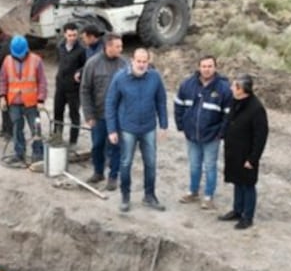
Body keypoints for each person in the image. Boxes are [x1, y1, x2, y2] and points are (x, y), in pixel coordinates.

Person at [105, 48, 168, 213]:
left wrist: (164, 124)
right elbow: (111, 103)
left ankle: (149, 195)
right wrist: (112, 129)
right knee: (125, 163)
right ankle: (125, 196)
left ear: (148, 61)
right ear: (132, 60)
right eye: (138, 61)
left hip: (148, 127)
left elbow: (161, 101)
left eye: (144, 61)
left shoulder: (155, 77)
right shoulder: (120, 78)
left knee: (151, 162)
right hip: (128, 128)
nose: (141, 65)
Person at [174, 55, 232, 210]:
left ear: (215, 67)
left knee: (210, 167)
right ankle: (193, 192)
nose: (207, 69)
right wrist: (181, 125)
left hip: (212, 137)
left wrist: (221, 133)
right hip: (192, 135)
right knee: (194, 165)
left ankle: (208, 196)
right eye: (204, 66)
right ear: (199, 67)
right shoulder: (187, 85)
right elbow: (178, 105)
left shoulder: (224, 89)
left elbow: (228, 114)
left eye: (210, 66)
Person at [218, 74, 269, 230]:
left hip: (246, 154)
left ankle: (248, 216)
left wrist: (253, 159)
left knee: (247, 185)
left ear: (241, 89)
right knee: (237, 182)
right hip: (234, 151)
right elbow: (228, 119)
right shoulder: (236, 102)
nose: (231, 88)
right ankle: (237, 210)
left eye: (234, 86)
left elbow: (261, 136)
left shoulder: (256, 108)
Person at [80, 33, 128, 191]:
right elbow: (85, 90)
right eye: (117, 46)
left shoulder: (124, 65)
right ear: (108, 47)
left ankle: (113, 176)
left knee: (115, 146)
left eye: (121, 46)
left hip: (118, 116)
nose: (121, 49)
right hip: (98, 115)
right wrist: (89, 115)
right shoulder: (92, 64)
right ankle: (98, 172)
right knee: (97, 145)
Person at [0, 35, 47, 165]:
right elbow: (3, 80)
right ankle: (19, 153)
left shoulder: (36, 60)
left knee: (35, 129)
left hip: (31, 103)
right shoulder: (7, 60)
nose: (19, 56)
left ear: (27, 50)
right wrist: (2, 96)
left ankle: (38, 154)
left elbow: (42, 81)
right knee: (16, 128)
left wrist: (41, 99)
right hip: (14, 101)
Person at [52, 22, 86, 149]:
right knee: (58, 113)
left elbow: (86, 66)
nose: (72, 38)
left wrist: (79, 72)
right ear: (65, 34)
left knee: (74, 115)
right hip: (60, 86)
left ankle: (73, 141)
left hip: (74, 89)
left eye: (75, 35)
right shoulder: (60, 46)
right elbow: (58, 61)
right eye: (70, 35)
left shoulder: (82, 50)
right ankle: (57, 137)